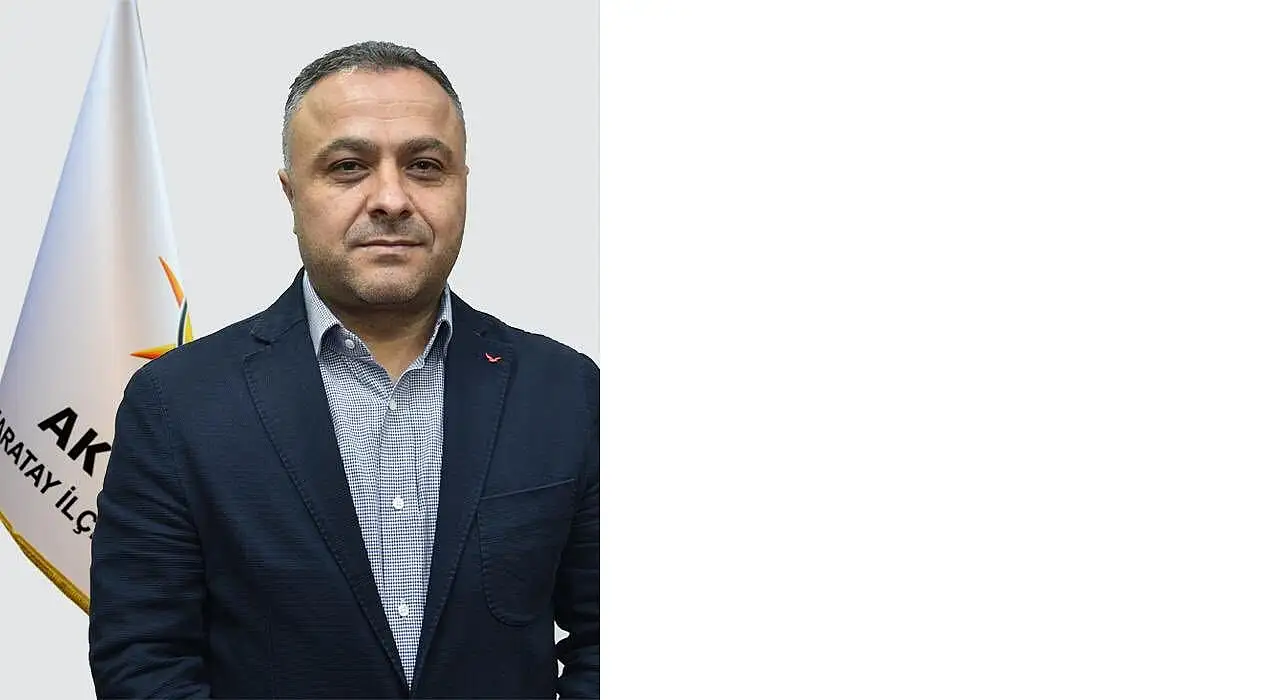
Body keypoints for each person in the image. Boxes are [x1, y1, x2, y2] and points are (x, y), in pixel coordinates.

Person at [87, 40, 599, 699]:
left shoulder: (565, 392)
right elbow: (143, 661)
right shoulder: (176, 404)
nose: (391, 198)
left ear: (463, 184)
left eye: (424, 166)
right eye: (349, 167)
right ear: (291, 192)